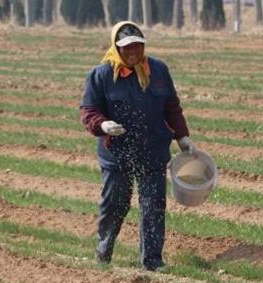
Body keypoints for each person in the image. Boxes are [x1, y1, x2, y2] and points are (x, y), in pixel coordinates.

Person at [80, 21, 195, 270]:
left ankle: (152, 260)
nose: (132, 52)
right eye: (126, 47)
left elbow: (171, 107)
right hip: (117, 152)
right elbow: (88, 111)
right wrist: (103, 125)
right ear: (116, 47)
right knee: (115, 205)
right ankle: (104, 252)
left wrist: (182, 136)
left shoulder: (159, 70)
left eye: (137, 46)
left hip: (153, 149)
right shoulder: (101, 75)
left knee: (153, 205)